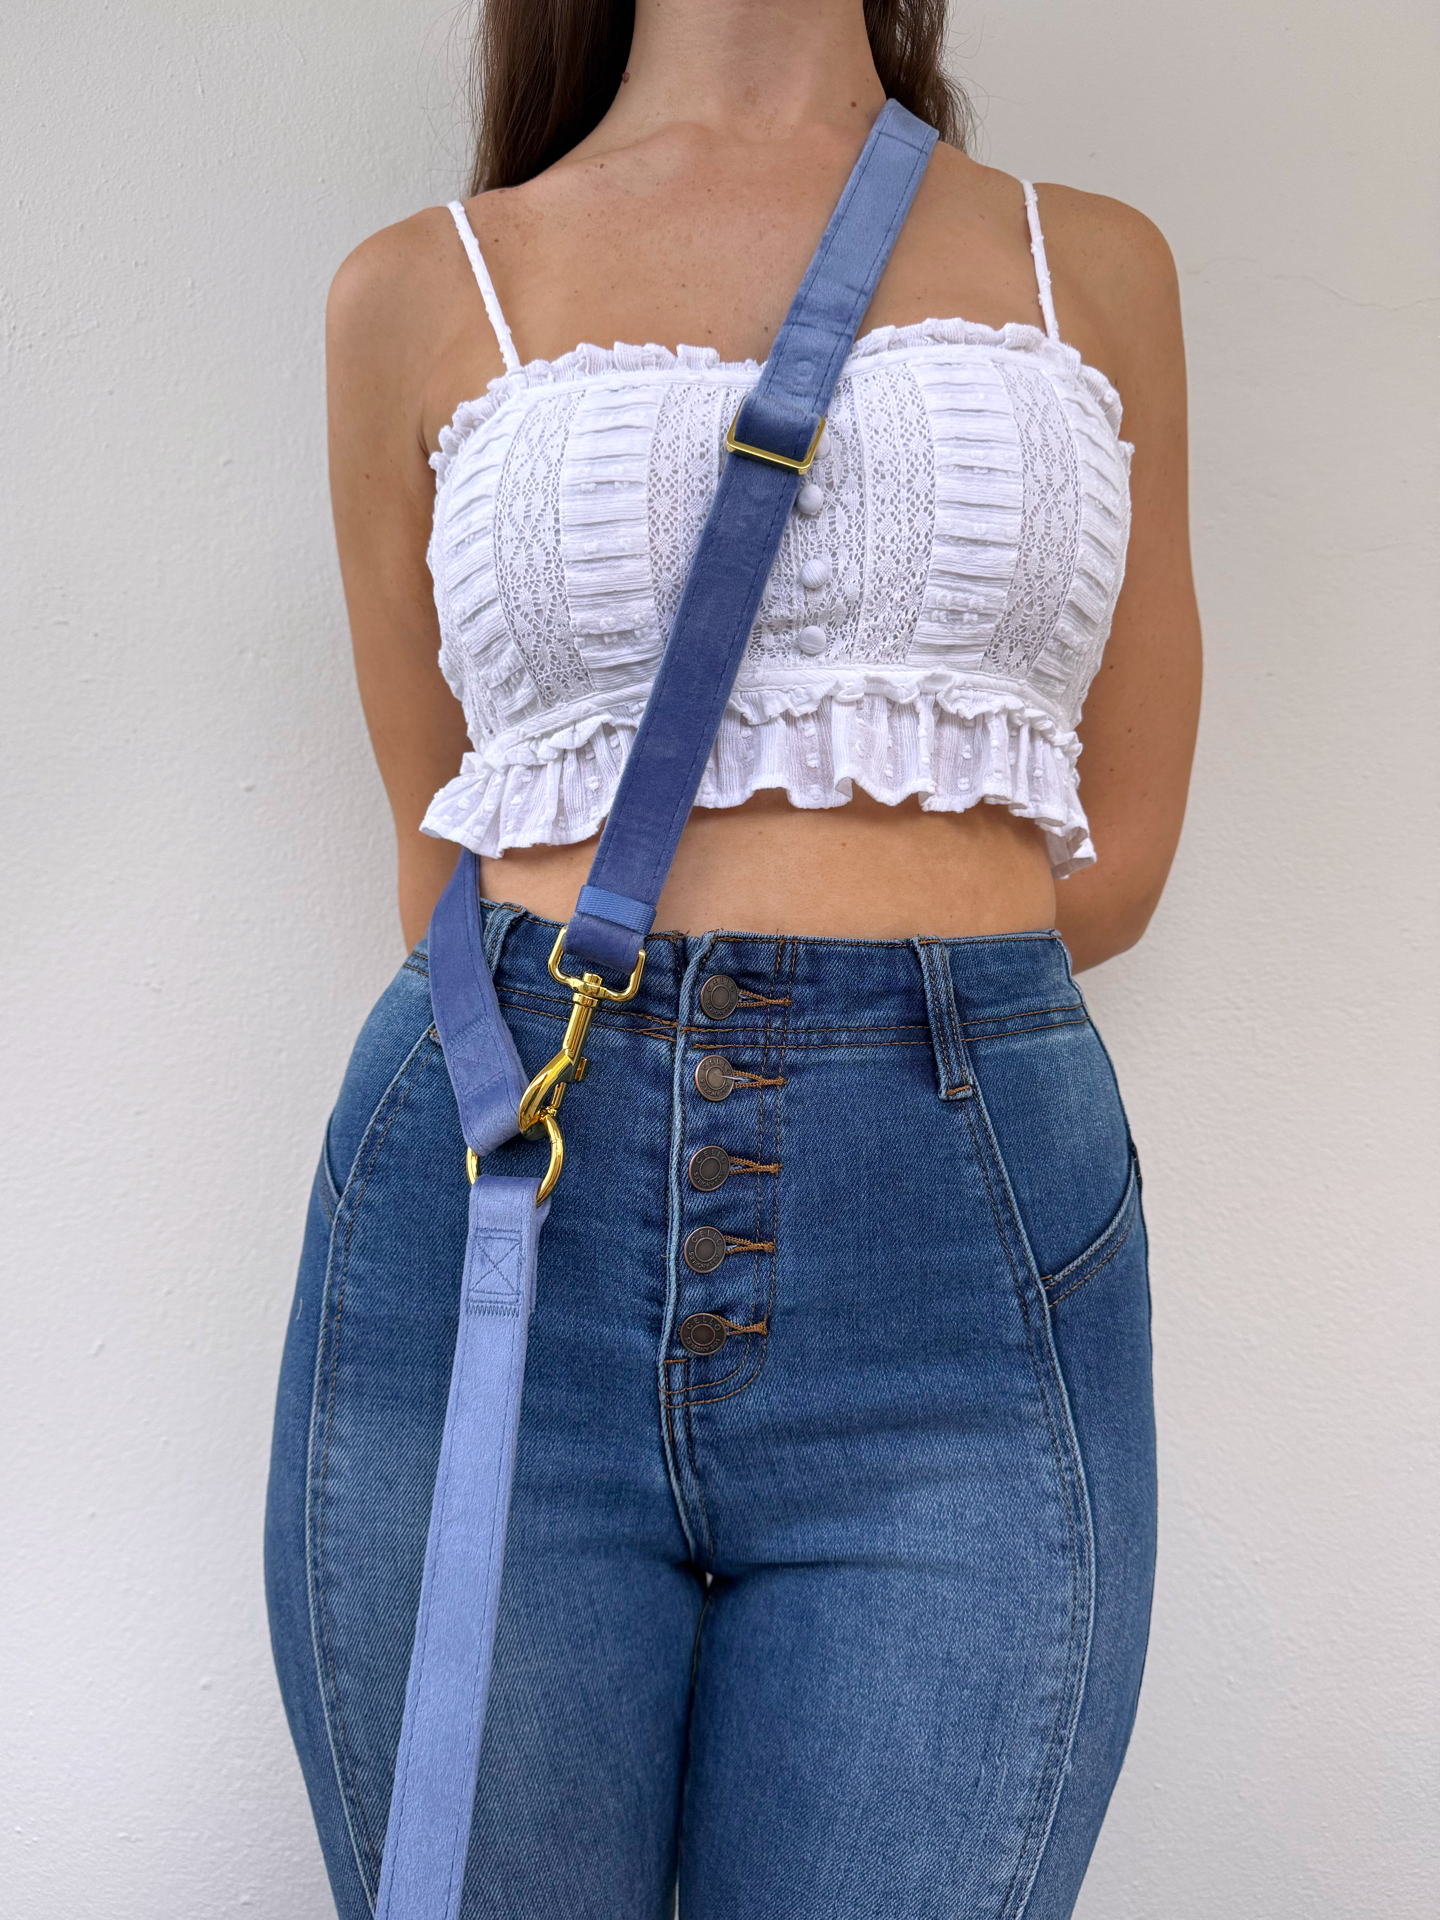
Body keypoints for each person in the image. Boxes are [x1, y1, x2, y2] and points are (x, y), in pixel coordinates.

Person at [264, 2, 1202, 1915]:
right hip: (500, 1222)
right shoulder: (417, 292)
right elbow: (440, 854)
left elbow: (1111, 852)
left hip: (950, 1254)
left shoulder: (1088, 264)